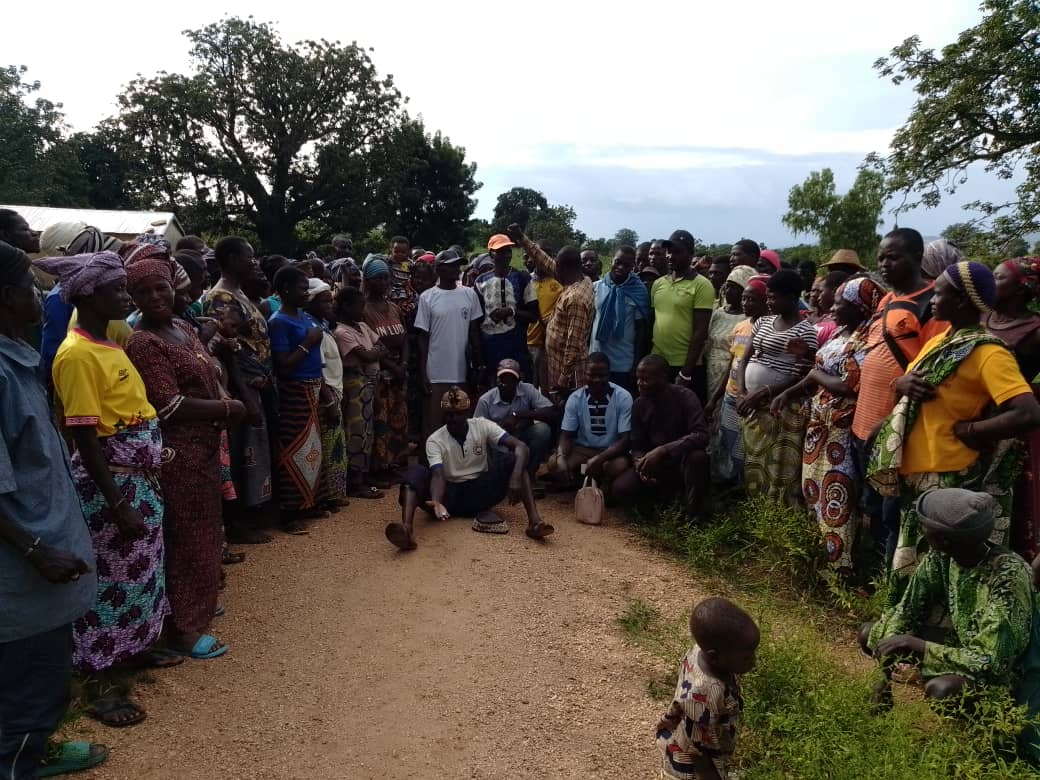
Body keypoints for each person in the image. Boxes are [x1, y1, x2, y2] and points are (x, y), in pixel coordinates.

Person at [38, 251, 169, 728]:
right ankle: (101, 683)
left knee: (141, 572)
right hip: (113, 488)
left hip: (138, 481)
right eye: (117, 289)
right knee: (112, 582)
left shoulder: (108, 342)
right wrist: (117, 503)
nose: (126, 296)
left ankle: (133, 647)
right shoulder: (76, 355)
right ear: (89, 295)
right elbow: (86, 438)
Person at [0, 241, 109, 779]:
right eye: (31, 288)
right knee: (28, 684)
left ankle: (32, 748)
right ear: (6, 297)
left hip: (37, 562)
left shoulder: (14, 360)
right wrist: (37, 550)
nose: (42, 298)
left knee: (37, 680)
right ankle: (19, 761)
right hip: (21, 575)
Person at [868, 261, 1040, 600]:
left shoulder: (988, 353)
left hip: (950, 476)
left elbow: (1028, 412)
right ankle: (902, 621)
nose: (932, 299)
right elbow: (911, 389)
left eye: (939, 293)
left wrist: (972, 431)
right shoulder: (939, 341)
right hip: (918, 472)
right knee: (912, 563)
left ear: (961, 300)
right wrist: (901, 384)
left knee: (939, 573)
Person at [125, 258, 242, 659]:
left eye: (161, 287)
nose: (155, 297)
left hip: (205, 446)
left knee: (205, 530)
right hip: (179, 453)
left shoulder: (183, 328)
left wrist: (223, 397)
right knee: (184, 536)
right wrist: (227, 409)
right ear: (133, 298)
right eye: (143, 292)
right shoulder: (144, 343)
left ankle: (199, 601)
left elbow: (210, 372)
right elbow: (169, 405)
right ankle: (183, 628)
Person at [861, 488, 1040, 750]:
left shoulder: (1008, 579)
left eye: (926, 526)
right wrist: (883, 673)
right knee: (871, 633)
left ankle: (996, 736)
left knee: (942, 690)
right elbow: (907, 610)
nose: (921, 528)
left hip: (1006, 677)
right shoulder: (942, 557)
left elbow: (991, 663)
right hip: (963, 648)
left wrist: (921, 647)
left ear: (944, 539)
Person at [773, 276, 885, 575]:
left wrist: (813, 376)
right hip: (819, 427)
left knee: (838, 494)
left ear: (860, 307)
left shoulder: (868, 340)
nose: (832, 308)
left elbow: (850, 385)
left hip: (840, 431)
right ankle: (819, 559)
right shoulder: (840, 332)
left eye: (839, 303)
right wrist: (791, 391)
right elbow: (821, 369)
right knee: (813, 491)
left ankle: (840, 569)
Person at [851, 228, 948, 563]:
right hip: (863, 425)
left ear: (917, 257)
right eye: (881, 257)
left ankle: (893, 579)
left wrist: (895, 403)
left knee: (893, 511)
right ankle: (874, 571)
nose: (884, 264)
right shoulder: (887, 299)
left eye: (893, 257)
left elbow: (934, 369)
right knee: (872, 505)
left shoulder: (931, 305)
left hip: (895, 429)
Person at [386, 387, 554, 550]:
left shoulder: (482, 425)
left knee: (514, 461)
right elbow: (438, 474)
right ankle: (407, 530)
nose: (453, 419)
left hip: (481, 492)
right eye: (449, 414)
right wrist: (436, 501)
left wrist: (515, 478)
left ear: (467, 413)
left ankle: (534, 523)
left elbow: (521, 447)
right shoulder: (435, 440)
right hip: (449, 499)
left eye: (458, 414)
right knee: (414, 472)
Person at [204, 237, 275, 543]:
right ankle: (238, 522)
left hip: (257, 383)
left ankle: (252, 514)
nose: (254, 262)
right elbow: (228, 349)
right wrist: (245, 393)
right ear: (232, 259)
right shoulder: (221, 298)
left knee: (253, 451)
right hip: (240, 387)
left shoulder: (239, 294)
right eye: (249, 257)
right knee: (242, 453)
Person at [735, 269, 818, 507]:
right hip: (752, 404)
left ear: (791, 297)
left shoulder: (806, 332)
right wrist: (742, 392)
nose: (769, 302)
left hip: (781, 407)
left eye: (773, 297)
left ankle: (778, 512)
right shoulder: (763, 322)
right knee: (754, 458)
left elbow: (803, 374)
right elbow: (745, 359)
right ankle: (755, 505)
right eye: (768, 297)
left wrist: (766, 392)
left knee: (778, 463)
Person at [656, 597, 760, 780]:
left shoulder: (701, 651)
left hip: (705, 744)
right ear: (714, 657)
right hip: (692, 767)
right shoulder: (704, 694)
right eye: (746, 657)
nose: (754, 661)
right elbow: (696, 748)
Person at [985, 257, 1040, 561]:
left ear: (1020, 289)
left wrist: (1024, 392)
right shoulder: (982, 317)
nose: (990, 283)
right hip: (968, 422)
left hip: (1008, 430)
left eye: (998, 278)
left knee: (1005, 500)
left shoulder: (1034, 331)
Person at [612, 355, 711, 522]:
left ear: (663, 378)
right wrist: (640, 465)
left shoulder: (685, 397)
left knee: (698, 458)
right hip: (655, 465)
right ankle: (659, 510)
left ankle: (693, 517)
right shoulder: (639, 404)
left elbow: (701, 435)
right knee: (621, 488)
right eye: (638, 379)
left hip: (682, 463)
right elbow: (637, 445)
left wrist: (663, 450)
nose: (639, 383)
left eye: (645, 379)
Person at [507, 225, 595, 402]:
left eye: (557, 265)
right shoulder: (580, 279)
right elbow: (546, 262)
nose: (553, 268)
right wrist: (522, 238)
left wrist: (563, 380)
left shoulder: (576, 298)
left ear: (563, 267)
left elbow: (574, 344)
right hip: (557, 364)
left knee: (566, 410)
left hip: (569, 376)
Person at [268, 265, 326, 532]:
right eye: (302, 289)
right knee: (293, 450)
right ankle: (290, 512)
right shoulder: (279, 322)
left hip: (313, 387)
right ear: (286, 290)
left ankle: (309, 502)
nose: (306, 293)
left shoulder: (304, 316)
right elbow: (283, 366)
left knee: (311, 449)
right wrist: (308, 343)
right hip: (294, 391)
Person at [414, 249, 484, 439]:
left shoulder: (469, 294)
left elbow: (474, 333)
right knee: (434, 424)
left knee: (460, 424)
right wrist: (423, 373)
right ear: (439, 269)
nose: (457, 269)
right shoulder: (427, 297)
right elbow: (423, 338)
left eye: (457, 265)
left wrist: (479, 365)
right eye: (451, 266)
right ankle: (431, 457)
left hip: (461, 372)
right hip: (436, 373)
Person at [707, 275, 769, 486]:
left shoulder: (769, 329)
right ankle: (732, 486)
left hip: (753, 399)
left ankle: (748, 487)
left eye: (752, 299)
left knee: (749, 445)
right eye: (744, 298)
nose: (745, 303)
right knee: (729, 440)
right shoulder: (740, 327)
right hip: (731, 394)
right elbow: (733, 363)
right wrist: (715, 397)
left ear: (765, 301)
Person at [549, 353, 634, 493]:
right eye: (591, 375)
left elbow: (625, 440)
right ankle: (582, 480)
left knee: (619, 466)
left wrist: (599, 459)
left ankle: (601, 483)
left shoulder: (623, 397)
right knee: (554, 464)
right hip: (583, 451)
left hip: (610, 453)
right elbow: (566, 435)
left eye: (602, 375)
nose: (596, 380)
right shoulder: (575, 398)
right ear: (585, 374)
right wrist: (561, 456)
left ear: (609, 374)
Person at [649, 230, 715, 402]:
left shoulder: (702, 285)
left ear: (690, 254)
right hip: (659, 361)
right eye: (669, 252)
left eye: (677, 252)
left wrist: (686, 372)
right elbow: (655, 321)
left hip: (685, 365)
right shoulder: (658, 284)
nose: (671, 256)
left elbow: (700, 331)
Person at [362, 258, 410, 485]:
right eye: (377, 278)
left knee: (398, 419)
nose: (383, 282)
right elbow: (372, 344)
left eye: (385, 278)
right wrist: (394, 367)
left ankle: (394, 464)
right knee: (380, 421)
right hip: (379, 375)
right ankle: (379, 468)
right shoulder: (364, 310)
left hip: (398, 373)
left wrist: (404, 365)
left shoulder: (394, 307)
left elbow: (405, 338)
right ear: (368, 281)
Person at [305, 278, 350, 509]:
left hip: (333, 392)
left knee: (335, 444)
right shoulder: (312, 328)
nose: (330, 305)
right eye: (324, 301)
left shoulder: (321, 325)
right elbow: (317, 368)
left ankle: (334, 493)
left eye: (330, 301)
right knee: (329, 446)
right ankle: (328, 496)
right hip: (326, 395)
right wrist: (329, 400)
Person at [473, 358, 556, 482]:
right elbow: (475, 433)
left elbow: (551, 411)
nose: (505, 383)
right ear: (496, 380)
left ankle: (530, 475)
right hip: (497, 443)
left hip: (522, 436)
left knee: (542, 430)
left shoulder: (527, 389)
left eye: (510, 379)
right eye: (502, 378)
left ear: (518, 380)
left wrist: (518, 415)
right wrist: (499, 428)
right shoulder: (485, 400)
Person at [474, 234, 537, 383]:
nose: (506, 255)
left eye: (508, 250)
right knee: (494, 386)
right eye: (500, 251)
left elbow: (534, 315)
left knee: (519, 387)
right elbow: (476, 320)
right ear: (491, 254)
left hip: (516, 346)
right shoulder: (480, 281)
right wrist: (479, 358)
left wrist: (511, 312)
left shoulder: (522, 278)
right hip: (490, 348)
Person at [589, 245, 651, 392]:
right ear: (612, 260)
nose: (621, 267)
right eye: (618, 262)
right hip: (596, 359)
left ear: (633, 266)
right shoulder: (595, 287)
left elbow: (641, 330)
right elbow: (589, 323)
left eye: (627, 265)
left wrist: (636, 364)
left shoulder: (638, 291)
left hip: (623, 363)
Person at [705, 266, 754, 408]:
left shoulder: (748, 319)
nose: (727, 291)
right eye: (727, 286)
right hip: (712, 371)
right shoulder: (718, 313)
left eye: (733, 288)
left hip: (732, 375)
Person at [524, 239, 563, 390]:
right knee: (529, 388)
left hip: (551, 345)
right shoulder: (525, 280)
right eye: (538, 253)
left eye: (546, 254)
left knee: (548, 389)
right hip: (527, 343)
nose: (541, 257)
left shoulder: (560, 283)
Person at [812, 270, 851, 346]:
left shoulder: (838, 324)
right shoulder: (823, 318)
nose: (818, 297)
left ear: (834, 291)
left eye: (821, 291)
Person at [386, 235, 415, 312]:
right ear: (391, 250)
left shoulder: (406, 263)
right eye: (396, 252)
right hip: (391, 290)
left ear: (407, 252)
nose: (400, 254)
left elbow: (406, 274)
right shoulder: (389, 261)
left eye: (403, 252)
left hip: (405, 291)